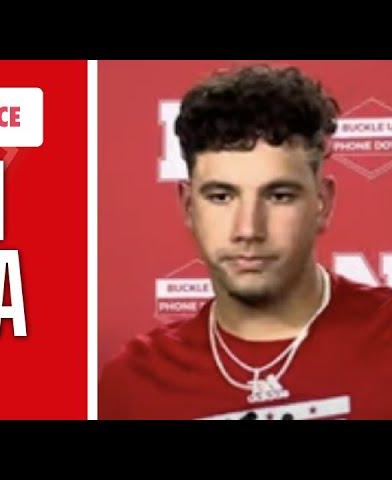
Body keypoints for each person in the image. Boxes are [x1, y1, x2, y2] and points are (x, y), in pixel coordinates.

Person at [99, 64, 392, 420]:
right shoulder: (132, 386)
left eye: (279, 196)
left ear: (322, 203)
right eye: (222, 196)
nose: (248, 229)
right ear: (189, 207)